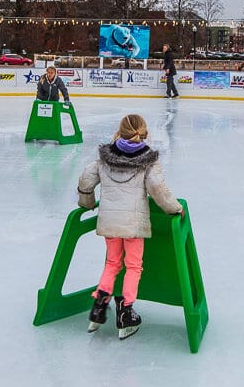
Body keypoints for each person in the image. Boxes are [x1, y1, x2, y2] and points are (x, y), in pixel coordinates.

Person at [77, 114, 183, 340]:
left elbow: (86, 178)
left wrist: (86, 202)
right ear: (144, 134)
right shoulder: (148, 160)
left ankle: (98, 308)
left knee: (113, 263)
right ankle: (125, 312)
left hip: (109, 223)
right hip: (133, 226)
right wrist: (174, 209)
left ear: (120, 132)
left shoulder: (104, 157)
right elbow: (158, 189)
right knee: (133, 266)